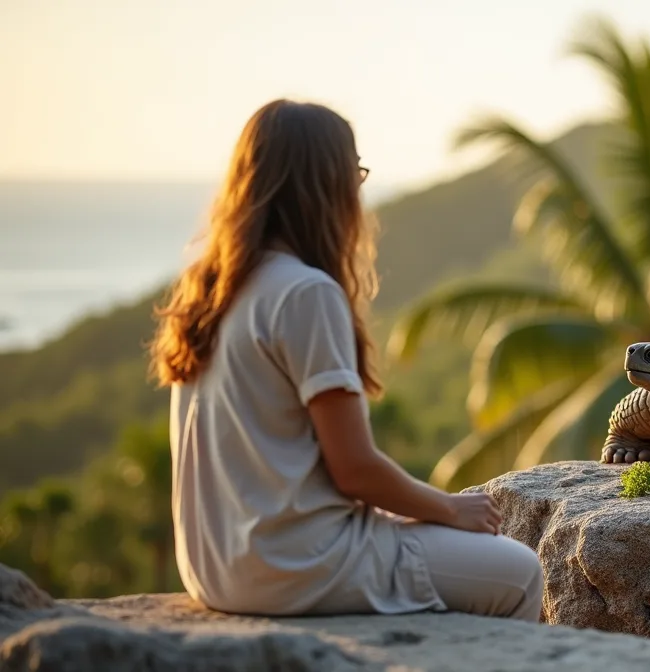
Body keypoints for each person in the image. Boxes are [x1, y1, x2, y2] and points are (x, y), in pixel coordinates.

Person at [146, 99, 544, 621]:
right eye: (354, 172)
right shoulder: (305, 293)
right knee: (518, 572)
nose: (359, 192)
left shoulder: (215, 288)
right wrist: (450, 508)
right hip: (297, 564)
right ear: (325, 185)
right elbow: (354, 469)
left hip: (215, 568)